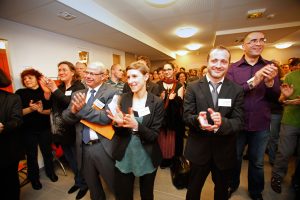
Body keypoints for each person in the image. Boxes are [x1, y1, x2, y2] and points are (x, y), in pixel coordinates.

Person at [183, 46, 244, 200]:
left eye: (223, 61)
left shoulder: (236, 90)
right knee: (193, 191)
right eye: (214, 60)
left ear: (229, 64)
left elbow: (239, 121)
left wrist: (222, 123)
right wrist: (198, 120)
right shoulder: (193, 87)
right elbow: (186, 116)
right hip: (198, 150)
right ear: (208, 62)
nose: (218, 65)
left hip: (224, 151)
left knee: (222, 192)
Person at [227, 31, 280, 200]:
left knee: (257, 162)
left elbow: (276, 98)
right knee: (234, 158)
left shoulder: (270, 67)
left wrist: (271, 84)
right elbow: (230, 95)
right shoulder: (232, 69)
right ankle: (232, 184)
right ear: (243, 46)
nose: (258, 43)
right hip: (238, 122)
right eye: (253, 41)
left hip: (261, 123)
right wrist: (253, 82)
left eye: (261, 40)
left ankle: (256, 192)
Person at [107, 61, 164, 200]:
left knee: (147, 194)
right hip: (125, 153)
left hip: (147, 154)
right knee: (123, 194)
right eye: (128, 77)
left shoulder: (156, 102)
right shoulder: (124, 98)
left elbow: (154, 135)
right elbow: (118, 132)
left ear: (146, 77)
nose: (130, 81)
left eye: (134, 76)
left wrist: (137, 126)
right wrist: (118, 124)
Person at [62, 62, 118, 200]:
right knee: (93, 185)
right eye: (86, 72)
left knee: (115, 184)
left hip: (103, 146)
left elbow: (105, 118)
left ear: (103, 76)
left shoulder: (112, 92)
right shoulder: (78, 93)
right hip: (83, 147)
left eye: (92, 73)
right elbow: (65, 117)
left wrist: (81, 110)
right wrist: (73, 111)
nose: (87, 76)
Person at [40, 61, 88, 199]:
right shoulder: (59, 87)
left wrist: (54, 89)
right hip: (61, 129)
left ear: (73, 72)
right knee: (70, 159)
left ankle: (84, 184)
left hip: (74, 129)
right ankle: (78, 182)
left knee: (79, 161)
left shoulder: (78, 87)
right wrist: (47, 92)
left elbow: (71, 105)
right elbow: (50, 105)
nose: (61, 72)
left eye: (64, 69)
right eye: (59, 70)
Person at [15, 68, 58, 190]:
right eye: (25, 79)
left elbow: (50, 111)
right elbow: (17, 113)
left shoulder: (46, 91)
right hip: (27, 130)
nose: (27, 80)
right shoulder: (20, 93)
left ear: (37, 79)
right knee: (31, 156)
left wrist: (41, 110)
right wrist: (30, 109)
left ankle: (50, 173)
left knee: (47, 153)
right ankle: (34, 179)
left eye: (30, 77)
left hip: (44, 129)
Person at [271, 58, 300, 197]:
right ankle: (277, 176)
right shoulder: (291, 76)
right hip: (290, 120)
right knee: (284, 151)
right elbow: (281, 99)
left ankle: (297, 180)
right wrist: (285, 97)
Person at [0, 69, 23, 200]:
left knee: (9, 183)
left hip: (7, 150)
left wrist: (3, 126)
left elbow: (17, 120)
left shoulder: (12, 98)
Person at [157, 63, 185, 168]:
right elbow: (153, 102)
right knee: (162, 140)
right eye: (165, 70)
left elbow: (181, 104)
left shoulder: (179, 85)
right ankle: (164, 159)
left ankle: (174, 159)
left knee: (174, 140)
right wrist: (160, 98)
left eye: (169, 69)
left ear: (173, 71)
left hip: (174, 119)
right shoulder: (158, 85)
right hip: (162, 118)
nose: (167, 72)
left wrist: (174, 99)